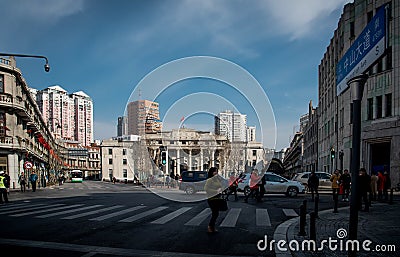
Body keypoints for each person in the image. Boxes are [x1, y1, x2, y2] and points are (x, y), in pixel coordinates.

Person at [204, 167, 223, 233]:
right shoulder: (210, 180)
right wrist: (216, 191)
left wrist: (221, 189)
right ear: (211, 172)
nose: (216, 172)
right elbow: (206, 189)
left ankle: (212, 227)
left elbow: (220, 185)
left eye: (217, 171)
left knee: (216, 213)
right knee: (215, 214)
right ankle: (210, 227)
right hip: (212, 199)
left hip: (217, 198)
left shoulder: (216, 179)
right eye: (215, 171)